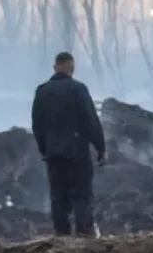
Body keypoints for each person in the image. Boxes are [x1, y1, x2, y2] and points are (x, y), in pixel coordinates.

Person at [31, 52, 106, 236]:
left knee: (58, 197)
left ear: (55, 67)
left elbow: (37, 125)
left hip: (53, 154)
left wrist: (44, 148)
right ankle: (83, 234)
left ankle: (61, 235)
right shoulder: (78, 89)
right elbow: (91, 121)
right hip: (77, 153)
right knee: (82, 194)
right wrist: (101, 148)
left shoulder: (42, 91)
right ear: (72, 68)